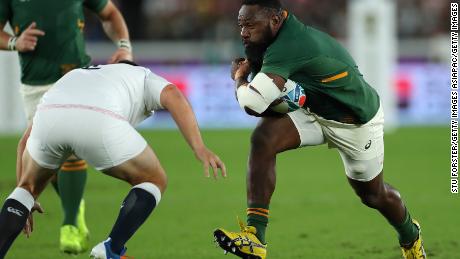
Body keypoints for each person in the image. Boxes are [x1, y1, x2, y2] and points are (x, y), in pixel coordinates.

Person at [213, 1, 426, 259]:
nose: (243, 32)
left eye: (250, 25)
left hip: (355, 121)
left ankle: (410, 236)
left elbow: (253, 102)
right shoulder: (265, 41)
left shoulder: (290, 43)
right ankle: (255, 237)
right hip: (314, 109)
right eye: (241, 25)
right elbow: (261, 108)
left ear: (276, 20)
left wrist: (239, 79)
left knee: (373, 195)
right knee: (263, 138)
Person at [0, 61, 227, 259]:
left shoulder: (82, 74)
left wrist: (26, 199)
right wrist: (200, 148)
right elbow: (173, 95)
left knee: (26, 189)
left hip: (50, 115)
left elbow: (24, 143)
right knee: (154, 178)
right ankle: (112, 248)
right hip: (98, 120)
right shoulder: (143, 76)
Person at [0, 0, 132, 253]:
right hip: (35, 83)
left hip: (76, 76)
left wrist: (124, 46)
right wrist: (14, 42)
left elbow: (110, 13)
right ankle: (75, 205)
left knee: (70, 147)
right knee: (43, 156)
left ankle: (70, 223)